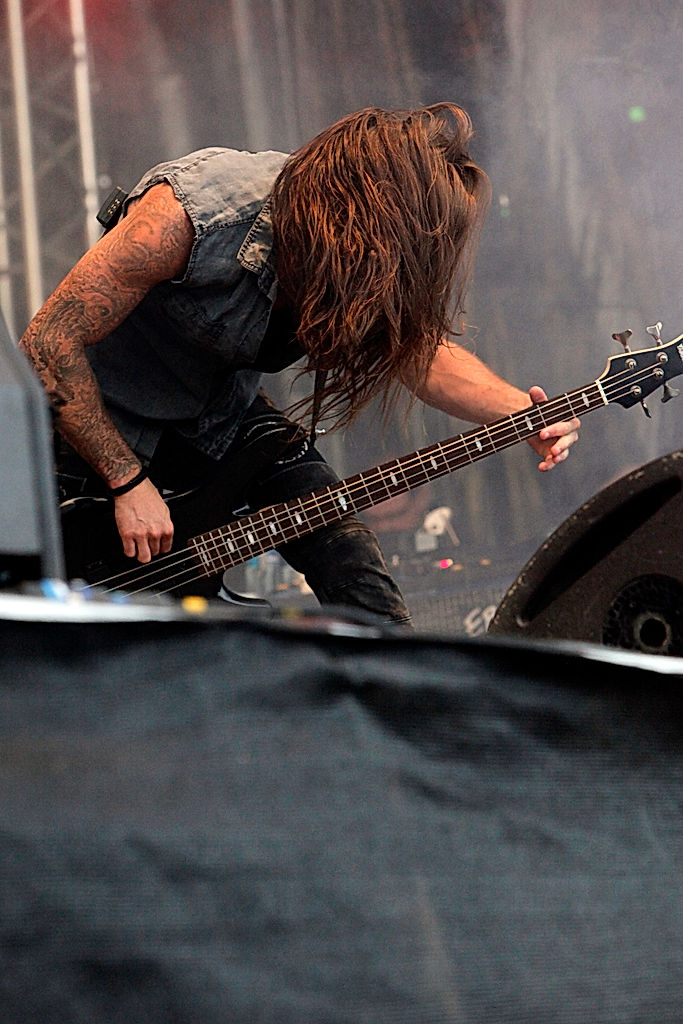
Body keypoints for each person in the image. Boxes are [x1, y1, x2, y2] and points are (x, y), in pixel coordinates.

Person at [19, 103, 580, 624]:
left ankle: (396, 707)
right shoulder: (192, 214)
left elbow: (418, 352)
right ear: (363, 217)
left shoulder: (359, 265)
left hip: (222, 421)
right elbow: (48, 342)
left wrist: (521, 411)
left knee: (353, 569)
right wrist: (126, 480)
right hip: (97, 432)